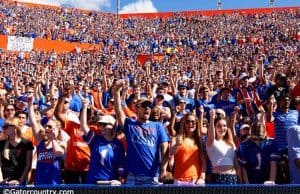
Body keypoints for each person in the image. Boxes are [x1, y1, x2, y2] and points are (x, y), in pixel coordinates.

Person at [112, 79, 169, 185]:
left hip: (153, 176)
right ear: (137, 109)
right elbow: (119, 111)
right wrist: (116, 92)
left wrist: (163, 169)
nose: (147, 109)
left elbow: (165, 149)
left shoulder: (157, 126)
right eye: (144, 106)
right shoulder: (130, 124)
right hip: (132, 176)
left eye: (149, 107)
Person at [80, 98, 126, 185]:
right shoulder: (95, 139)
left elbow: (121, 165)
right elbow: (83, 126)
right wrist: (85, 107)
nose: (101, 127)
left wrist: (119, 180)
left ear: (113, 126)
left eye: (104, 125)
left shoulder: (118, 144)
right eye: (99, 125)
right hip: (93, 182)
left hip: (111, 182)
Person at [28, 95, 67, 185]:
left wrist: (53, 139)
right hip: (40, 182)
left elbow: (58, 152)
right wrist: (30, 105)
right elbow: (33, 123)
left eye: (50, 127)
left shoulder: (62, 142)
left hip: (54, 182)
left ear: (57, 129)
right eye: (46, 126)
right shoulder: (40, 140)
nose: (47, 128)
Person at [169, 113, 206, 185]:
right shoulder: (176, 138)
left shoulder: (199, 140)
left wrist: (202, 177)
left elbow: (203, 162)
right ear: (184, 124)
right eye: (188, 121)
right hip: (178, 180)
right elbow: (171, 152)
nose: (190, 124)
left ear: (196, 124)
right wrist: (177, 144)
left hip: (195, 180)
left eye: (193, 122)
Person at [206, 109, 240, 184]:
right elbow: (211, 136)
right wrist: (211, 118)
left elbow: (236, 163)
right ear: (214, 128)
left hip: (233, 178)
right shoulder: (211, 142)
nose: (222, 128)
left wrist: (240, 178)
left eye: (224, 126)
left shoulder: (231, 143)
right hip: (218, 178)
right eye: (219, 126)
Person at [0, 117, 33, 185]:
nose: (3, 129)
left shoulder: (26, 143)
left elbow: (28, 165)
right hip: (4, 181)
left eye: (6, 127)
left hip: (21, 180)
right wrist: (1, 181)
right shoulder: (1, 144)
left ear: (14, 127)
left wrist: (20, 181)